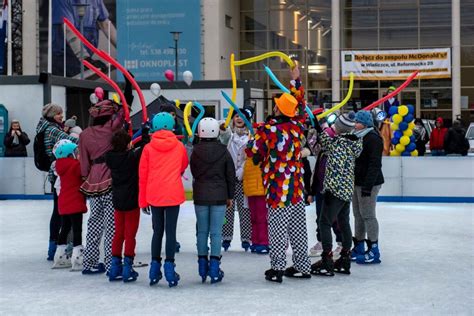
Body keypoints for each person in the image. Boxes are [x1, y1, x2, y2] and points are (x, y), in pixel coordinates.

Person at [247, 93, 311, 283]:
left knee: (277, 228)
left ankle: (277, 267)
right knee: (298, 227)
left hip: (277, 189)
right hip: (296, 187)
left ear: (277, 109)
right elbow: (301, 108)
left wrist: (254, 140)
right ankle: (302, 265)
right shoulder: (298, 128)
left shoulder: (269, 130)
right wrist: (296, 81)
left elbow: (252, 150)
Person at [139, 112, 188, 287]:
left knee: (157, 231)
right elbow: (183, 165)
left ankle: (154, 267)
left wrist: (143, 201)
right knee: (171, 231)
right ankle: (169, 266)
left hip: (154, 194)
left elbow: (142, 175)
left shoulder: (148, 148)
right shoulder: (179, 146)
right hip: (172, 193)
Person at [311, 112, 363, 276]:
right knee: (343, 221)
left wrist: (325, 125)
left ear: (339, 128)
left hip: (334, 189)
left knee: (324, 222)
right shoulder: (354, 143)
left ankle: (327, 258)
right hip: (346, 190)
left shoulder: (336, 143)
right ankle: (345, 257)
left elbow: (322, 137)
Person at [79, 99, 125, 275]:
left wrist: (86, 175)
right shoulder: (111, 129)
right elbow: (122, 115)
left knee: (94, 223)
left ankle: (89, 262)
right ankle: (110, 263)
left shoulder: (84, 134)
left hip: (93, 180)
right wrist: (122, 101)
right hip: (110, 177)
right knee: (111, 224)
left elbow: (83, 162)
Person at [190, 118, 236, 283]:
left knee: (202, 231)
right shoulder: (224, 151)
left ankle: (202, 266)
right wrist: (230, 196)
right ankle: (215, 268)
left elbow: (194, 171)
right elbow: (230, 175)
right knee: (216, 232)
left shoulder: (195, 151)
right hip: (219, 196)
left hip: (201, 195)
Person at [105, 126, 149, 283]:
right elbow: (144, 147)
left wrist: (123, 131)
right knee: (130, 235)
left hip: (117, 201)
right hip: (131, 201)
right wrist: (144, 134)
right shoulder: (131, 158)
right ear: (127, 144)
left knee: (119, 234)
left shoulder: (110, 157)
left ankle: (115, 266)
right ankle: (127, 267)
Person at [36, 103, 78, 261]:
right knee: (65, 211)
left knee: (58, 210)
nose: (61, 116)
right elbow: (72, 142)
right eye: (59, 113)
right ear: (52, 115)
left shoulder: (44, 127)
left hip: (56, 173)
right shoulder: (53, 129)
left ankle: (53, 247)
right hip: (63, 175)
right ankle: (64, 246)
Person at [351, 110, 384, 265]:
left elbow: (375, 164)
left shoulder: (373, 138)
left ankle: (374, 249)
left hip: (369, 183)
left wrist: (367, 186)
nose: (354, 124)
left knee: (368, 215)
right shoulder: (357, 136)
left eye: (357, 122)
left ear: (364, 123)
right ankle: (359, 246)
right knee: (358, 215)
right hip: (357, 182)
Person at [219, 108, 254, 252]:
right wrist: (222, 127)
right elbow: (223, 133)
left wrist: (242, 170)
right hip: (229, 180)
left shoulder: (251, 137)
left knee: (244, 210)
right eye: (236, 116)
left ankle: (246, 240)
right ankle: (226, 238)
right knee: (228, 209)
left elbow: (251, 157)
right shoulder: (230, 136)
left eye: (242, 116)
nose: (239, 118)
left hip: (244, 180)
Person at [307, 120, 343, 258]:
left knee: (335, 218)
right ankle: (322, 241)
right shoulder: (321, 154)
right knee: (320, 217)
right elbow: (313, 148)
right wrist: (312, 191)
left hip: (334, 190)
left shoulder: (338, 152)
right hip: (320, 188)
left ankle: (341, 242)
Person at [52, 0, 116, 77]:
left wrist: (124, 51)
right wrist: (86, 59)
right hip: (65, 60)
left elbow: (105, 24)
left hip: (83, 58)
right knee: (70, 87)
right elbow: (68, 29)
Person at [51, 141, 87, 271]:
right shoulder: (76, 165)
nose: (77, 154)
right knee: (77, 229)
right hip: (75, 201)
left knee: (65, 228)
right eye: (75, 152)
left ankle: (59, 256)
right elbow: (85, 175)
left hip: (63, 201)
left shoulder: (60, 166)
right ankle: (78, 259)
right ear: (70, 154)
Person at [243, 152, 269, 254]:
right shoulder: (248, 156)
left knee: (261, 218)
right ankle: (255, 241)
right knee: (253, 218)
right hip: (250, 190)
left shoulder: (263, 154)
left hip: (260, 191)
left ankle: (264, 242)